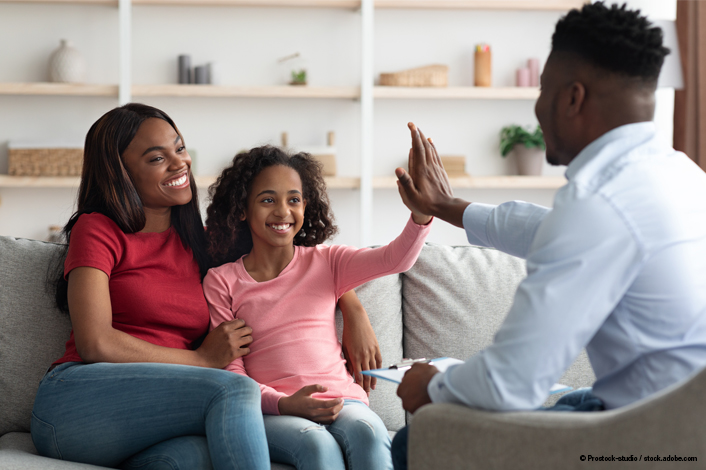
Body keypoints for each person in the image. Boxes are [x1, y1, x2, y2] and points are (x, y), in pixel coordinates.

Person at [389, 2, 706, 469]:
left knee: (416, 440)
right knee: (572, 401)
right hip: (682, 420)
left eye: (543, 90)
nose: (537, 108)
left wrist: (431, 384)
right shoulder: (682, 176)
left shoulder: (599, 204)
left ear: (572, 97)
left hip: (647, 439)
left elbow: (509, 384)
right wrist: (446, 207)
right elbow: (547, 229)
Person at [31, 103, 383, 470]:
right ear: (120, 172)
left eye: (179, 149)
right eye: (156, 158)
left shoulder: (201, 242)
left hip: (158, 413)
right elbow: (95, 342)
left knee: (188, 460)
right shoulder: (98, 228)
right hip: (77, 403)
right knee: (235, 389)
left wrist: (352, 307)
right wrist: (201, 360)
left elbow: (292, 260)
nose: (179, 163)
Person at [202, 145, 432, 470]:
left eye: (293, 199)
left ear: (305, 206)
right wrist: (283, 403)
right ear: (242, 209)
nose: (283, 211)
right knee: (316, 444)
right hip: (273, 409)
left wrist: (420, 215)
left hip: (343, 399)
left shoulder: (328, 261)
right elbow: (232, 371)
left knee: (367, 431)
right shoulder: (221, 281)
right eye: (268, 199)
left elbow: (395, 259)